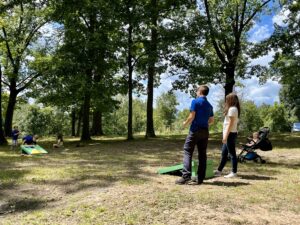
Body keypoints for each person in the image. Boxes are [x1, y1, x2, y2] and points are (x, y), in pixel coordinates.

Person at [175, 85, 214, 185]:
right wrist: (204, 123)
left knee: (188, 151)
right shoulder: (210, 105)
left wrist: (185, 123)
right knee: (202, 154)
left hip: (195, 130)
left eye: (197, 91)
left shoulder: (195, 101)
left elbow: (192, 116)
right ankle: (200, 178)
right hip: (205, 131)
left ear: (200, 92)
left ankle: (185, 176)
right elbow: (211, 120)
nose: (196, 92)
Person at [215, 93, 240, 178]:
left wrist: (225, 136)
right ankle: (219, 171)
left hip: (230, 134)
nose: (226, 101)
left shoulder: (232, 109)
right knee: (224, 154)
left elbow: (230, 123)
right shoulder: (233, 109)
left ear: (230, 100)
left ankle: (234, 172)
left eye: (227, 99)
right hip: (230, 133)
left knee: (232, 154)